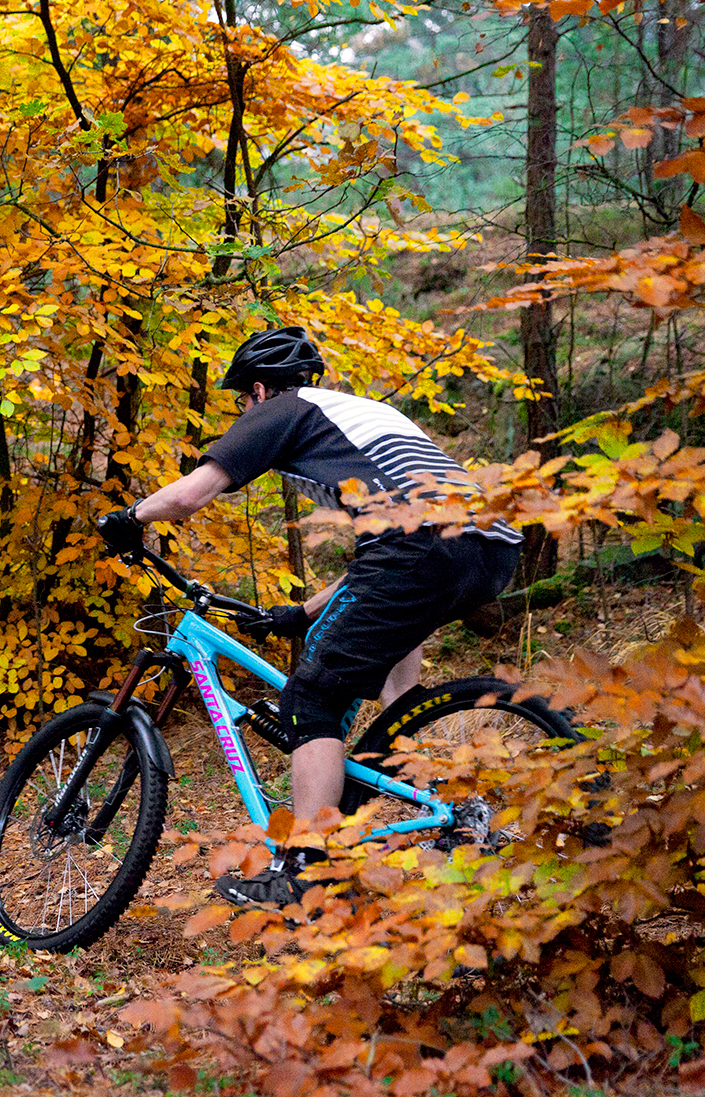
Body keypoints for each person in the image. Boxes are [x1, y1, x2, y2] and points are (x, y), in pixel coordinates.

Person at [95, 326, 522, 909]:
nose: (246, 412)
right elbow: (383, 551)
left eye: (244, 402)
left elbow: (190, 495)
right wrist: (301, 612)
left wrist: (128, 518)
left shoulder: (286, 409)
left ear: (259, 390)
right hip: (489, 545)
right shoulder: (361, 418)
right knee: (402, 700)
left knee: (312, 700)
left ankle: (304, 870)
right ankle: (453, 807)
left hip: (420, 547)